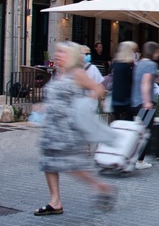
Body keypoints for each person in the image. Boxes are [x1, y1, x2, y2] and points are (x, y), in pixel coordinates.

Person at [34, 42, 115, 216]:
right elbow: (56, 98)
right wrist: (44, 106)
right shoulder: (58, 73)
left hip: (68, 129)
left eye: (62, 52)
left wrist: (85, 104)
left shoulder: (77, 73)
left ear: (71, 55)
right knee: (49, 163)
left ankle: (101, 187)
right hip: (52, 128)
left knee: (72, 166)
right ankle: (55, 201)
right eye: (57, 52)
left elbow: (98, 88)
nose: (57, 55)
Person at [130, 41, 159, 169]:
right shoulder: (150, 64)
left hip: (135, 101)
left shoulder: (139, 63)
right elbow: (146, 83)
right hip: (144, 104)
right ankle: (140, 161)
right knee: (145, 132)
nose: (158, 55)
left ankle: (132, 157)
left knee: (138, 132)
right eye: (158, 52)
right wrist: (147, 101)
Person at [110, 41, 137, 121]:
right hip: (125, 100)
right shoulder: (126, 66)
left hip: (115, 98)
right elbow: (131, 81)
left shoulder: (115, 64)